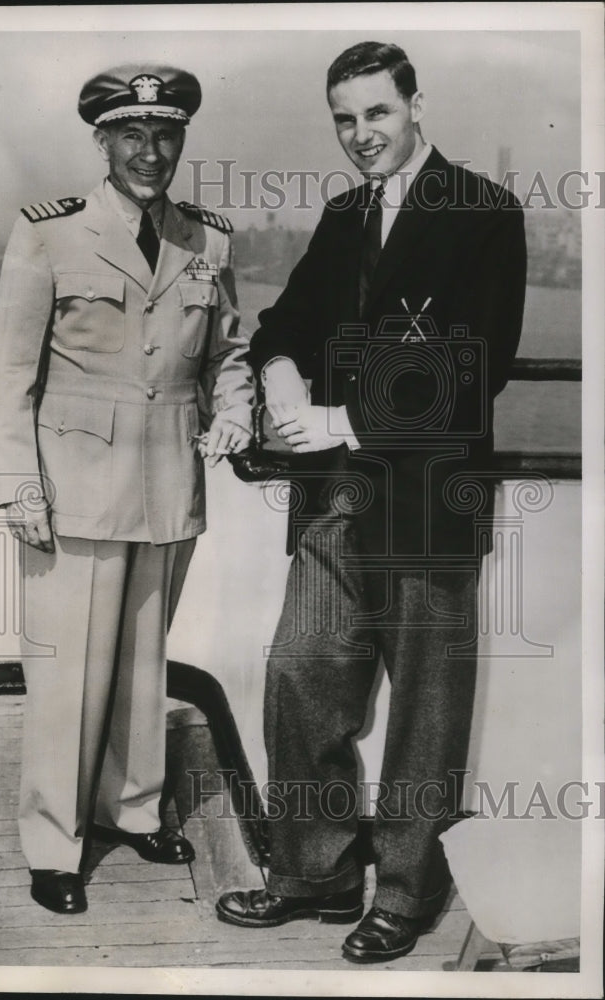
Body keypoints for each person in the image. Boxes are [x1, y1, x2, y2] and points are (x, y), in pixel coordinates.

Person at [217, 41, 526, 963]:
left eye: (377, 113)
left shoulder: (483, 211)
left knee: (426, 714)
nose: (361, 135)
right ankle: (312, 875)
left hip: (428, 503)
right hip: (333, 505)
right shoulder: (346, 214)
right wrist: (275, 373)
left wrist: (342, 418)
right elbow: (288, 321)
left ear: (416, 105)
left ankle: (403, 890)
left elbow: (477, 369)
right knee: (300, 676)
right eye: (345, 119)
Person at [0, 63, 253, 915]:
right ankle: (52, 843)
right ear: (102, 141)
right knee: (68, 677)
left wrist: (237, 412)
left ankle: (132, 808)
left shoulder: (209, 239)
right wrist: (20, 490)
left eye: (165, 134)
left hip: (169, 482)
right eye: (132, 134)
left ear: (181, 140)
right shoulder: (49, 233)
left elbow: (227, 355)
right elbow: (11, 379)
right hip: (70, 488)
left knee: (143, 666)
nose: (151, 151)